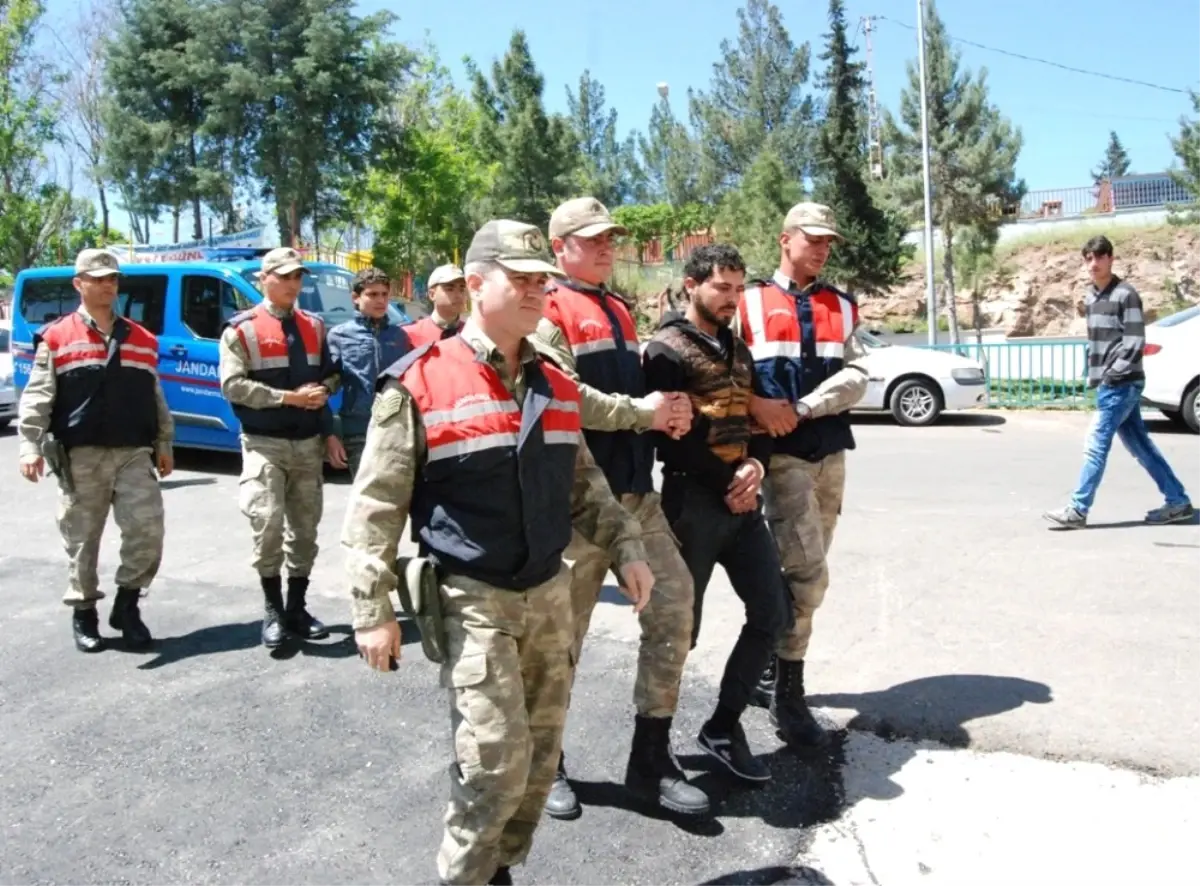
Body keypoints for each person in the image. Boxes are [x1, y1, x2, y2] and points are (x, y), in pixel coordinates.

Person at [342, 219, 654, 886]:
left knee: (539, 763)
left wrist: (626, 546)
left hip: (548, 594)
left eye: (544, 278)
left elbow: (584, 483)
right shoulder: (420, 383)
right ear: (477, 283)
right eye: (523, 278)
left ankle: (498, 869)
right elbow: (374, 506)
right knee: (491, 764)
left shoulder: (556, 384)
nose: (540, 289)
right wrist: (372, 608)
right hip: (470, 596)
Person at [531, 196, 706, 821]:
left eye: (610, 238)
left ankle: (650, 760)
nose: (607, 246)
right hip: (578, 504)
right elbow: (563, 397)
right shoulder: (545, 308)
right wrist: (644, 412)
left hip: (635, 495)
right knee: (560, 642)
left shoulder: (620, 310)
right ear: (561, 247)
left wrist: (670, 415)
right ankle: (545, 762)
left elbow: (636, 396)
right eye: (592, 239)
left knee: (675, 608)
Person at [642, 243, 793, 782]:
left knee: (774, 614)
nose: (731, 299)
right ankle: (653, 751)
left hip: (742, 503)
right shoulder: (665, 350)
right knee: (681, 630)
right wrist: (728, 479)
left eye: (737, 289)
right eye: (720, 288)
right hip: (693, 503)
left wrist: (756, 466)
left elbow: (757, 415)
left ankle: (723, 727)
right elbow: (671, 439)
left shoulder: (738, 347)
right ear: (692, 285)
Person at [736, 202, 868, 750]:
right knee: (809, 574)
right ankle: (789, 695)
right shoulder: (748, 301)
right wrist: (757, 406)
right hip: (780, 457)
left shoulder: (842, 304)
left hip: (828, 450)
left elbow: (859, 372)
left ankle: (766, 665)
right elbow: (719, 368)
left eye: (828, 242)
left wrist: (809, 405)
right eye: (811, 239)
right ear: (784, 239)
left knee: (803, 573)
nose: (820, 249)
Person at [17, 248, 173, 653]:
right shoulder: (57, 336)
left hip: (133, 452)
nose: (107, 285)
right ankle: (84, 611)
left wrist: (164, 442)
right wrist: (29, 445)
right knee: (83, 538)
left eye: (113, 279)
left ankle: (127, 605)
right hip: (80, 454)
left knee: (147, 529)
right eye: (98, 278)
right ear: (79, 283)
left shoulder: (141, 337)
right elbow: (38, 397)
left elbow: (154, 394)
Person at [219, 246, 347, 649]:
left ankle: (297, 607)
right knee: (268, 524)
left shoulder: (315, 325)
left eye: (298, 278)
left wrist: (323, 394)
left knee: (305, 531)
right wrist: (289, 398)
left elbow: (334, 375)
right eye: (285, 277)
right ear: (264, 279)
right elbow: (232, 386)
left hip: (307, 443)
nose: (293, 284)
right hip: (264, 443)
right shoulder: (241, 329)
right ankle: (273, 610)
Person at [1044, 235, 1193, 529]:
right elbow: (1096, 342)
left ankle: (1078, 509)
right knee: (1142, 447)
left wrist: (1113, 375)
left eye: (1100, 257)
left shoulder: (1126, 294)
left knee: (1095, 444)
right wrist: (1094, 375)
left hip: (1121, 383)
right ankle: (1178, 501)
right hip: (1109, 383)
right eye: (1089, 258)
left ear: (1111, 259)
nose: (1094, 263)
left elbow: (1135, 341)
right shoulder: (1090, 297)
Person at [328, 267, 412, 477]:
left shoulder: (400, 336)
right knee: (365, 495)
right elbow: (325, 387)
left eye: (384, 294)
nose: (380, 300)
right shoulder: (339, 336)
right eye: (372, 294)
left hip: (396, 429)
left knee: (395, 495)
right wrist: (329, 435)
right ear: (355, 298)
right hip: (358, 430)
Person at [405, 264, 468, 345]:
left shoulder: (471, 335)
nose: (459, 295)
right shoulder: (411, 335)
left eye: (462, 289)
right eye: (450, 289)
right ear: (432, 294)